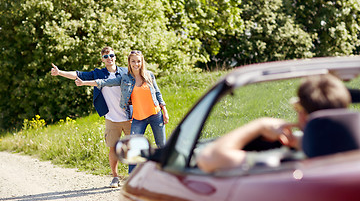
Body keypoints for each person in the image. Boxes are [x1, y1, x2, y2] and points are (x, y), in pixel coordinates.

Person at [197, 73, 351, 173]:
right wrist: (299, 141)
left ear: (302, 115)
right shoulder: (353, 161)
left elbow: (209, 158)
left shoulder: (286, 164)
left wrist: (260, 125)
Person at [75, 50, 169, 172]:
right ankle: (132, 177)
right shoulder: (125, 78)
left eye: (138, 61)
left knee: (161, 145)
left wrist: (164, 110)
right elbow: (103, 82)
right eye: (133, 61)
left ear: (142, 62)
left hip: (155, 115)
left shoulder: (149, 75)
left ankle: (166, 172)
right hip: (138, 118)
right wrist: (84, 83)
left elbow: (157, 93)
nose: (136, 64)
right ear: (129, 63)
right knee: (133, 147)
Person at [51, 46, 130, 188]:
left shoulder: (125, 71)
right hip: (111, 118)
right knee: (112, 147)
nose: (109, 58)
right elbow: (77, 74)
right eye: (105, 57)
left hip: (129, 116)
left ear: (115, 57)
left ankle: (135, 177)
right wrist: (59, 72)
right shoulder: (98, 73)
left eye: (111, 55)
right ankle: (115, 177)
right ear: (102, 59)